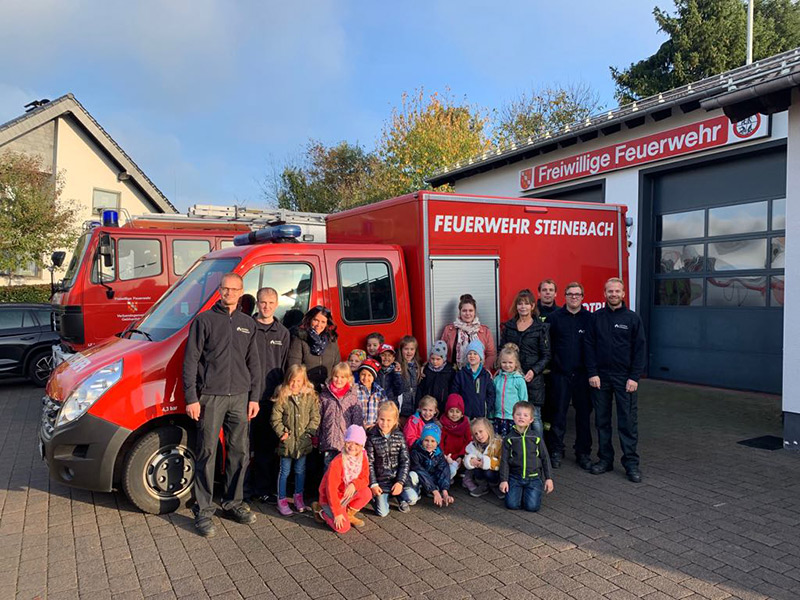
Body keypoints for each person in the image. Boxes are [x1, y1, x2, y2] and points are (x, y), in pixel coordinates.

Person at [183, 272, 261, 538]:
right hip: (210, 397)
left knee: (239, 451)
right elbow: (191, 361)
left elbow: (254, 363)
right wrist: (191, 397)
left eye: (234, 289)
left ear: (241, 292)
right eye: (225, 289)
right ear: (219, 291)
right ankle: (203, 511)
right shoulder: (204, 321)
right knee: (206, 453)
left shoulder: (247, 324)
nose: (229, 293)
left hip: (240, 397)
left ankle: (233, 503)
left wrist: (254, 397)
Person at [585, 278, 646, 483]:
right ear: (604, 293)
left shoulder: (632, 319)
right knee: (602, 421)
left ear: (623, 294)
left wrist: (634, 377)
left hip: (624, 378)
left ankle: (631, 464)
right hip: (600, 378)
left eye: (617, 291)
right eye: (610, 291)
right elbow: (589, 346)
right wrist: (592, 372)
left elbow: (639, 350)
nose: (613, 294)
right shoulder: (596, 318)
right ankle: (605, 460)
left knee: (627, 422)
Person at [247, 287, 290, 504]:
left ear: (276, 304)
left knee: (266, 447)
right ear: (257, 303)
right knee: (245, 447)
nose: (266, 307)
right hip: (248, 397)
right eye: (263, 302)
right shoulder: (246, 328)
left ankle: (264, 490)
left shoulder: (282, 333)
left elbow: (284, 367)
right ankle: (244, 491)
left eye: (271, 303)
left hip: (271, 400)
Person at [545, 282, 594, 471]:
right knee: (558, 415)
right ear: (564, 296)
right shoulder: (554, 318)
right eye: (570, 294)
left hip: (583, 376)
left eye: (577, 294)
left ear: (582, 297)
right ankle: (557, 450)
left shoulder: (590, 319)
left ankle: (583, 453)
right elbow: (548, 347)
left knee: (583, 416)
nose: (574, 297)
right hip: (560, 375)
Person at [500, 289, 551, 438]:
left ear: (533, 306)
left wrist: (534, 371)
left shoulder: (540, 328)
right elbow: (502, 350)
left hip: (533, 379)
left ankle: (538, 452)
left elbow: (546, 355)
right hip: (512, 379)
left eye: (526, 304)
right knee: (514, 417)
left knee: (535, 418)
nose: (523, 307)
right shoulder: (509, 327)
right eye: (520, 304)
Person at [270, 365, 320, 516]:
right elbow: (275, 418)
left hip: (303, 442)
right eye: (292, 381)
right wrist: (282, 433)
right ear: (287, 380)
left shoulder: (309, 397)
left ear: (304, 381)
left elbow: (315, 417)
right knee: (284, 471)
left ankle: (299, 497)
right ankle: (282, 499)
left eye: (299, 381)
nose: (295, 384)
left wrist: (310, 432)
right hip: (287, 442)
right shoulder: (283, 396)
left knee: (300, 471)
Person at [312, 425, 373, 533]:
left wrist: (354, 484)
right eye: (349, 442)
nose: (352, 446)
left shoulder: (362, 457)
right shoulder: (337, 462)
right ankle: (321, 511)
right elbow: (331, 490)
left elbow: (365, 479)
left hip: (346, 494)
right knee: (343, 528)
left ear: (362, 445)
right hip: (330, 498)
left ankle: (348, 515)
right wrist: (337, 513)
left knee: (366, 493)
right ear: (345, 441)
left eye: (357, 444)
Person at [499, 401, 554, 512]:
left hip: (534, 478)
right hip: (515, 477)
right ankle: (520, 492)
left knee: (532, 507)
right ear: (513, 417)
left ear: (531, 419)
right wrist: (504, 480)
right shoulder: (509, 438)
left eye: (525, 415)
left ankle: (529, 492)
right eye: (518, 414)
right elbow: (504, 460)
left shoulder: (536, 437)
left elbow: (545, 458)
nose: (521, 417)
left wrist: (549, 478)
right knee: (511, 505)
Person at [366, 401, 418, 515]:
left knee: (413, 498)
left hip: (396, 478)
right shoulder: (371, 437)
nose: (385, 423)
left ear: (395, 421)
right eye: (382, 419)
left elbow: (405, 460)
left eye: (389, 420)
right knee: (382, 512)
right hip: (381, 481)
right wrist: (374, 484)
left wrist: (400, 481)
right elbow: (369, 463)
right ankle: (375, 497)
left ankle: (401, 496)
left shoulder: (399, 436)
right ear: (377, 418)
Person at [318, 362, 363, 469]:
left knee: (345, 470)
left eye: (343, 377)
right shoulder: (325, 396)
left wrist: (356, 441)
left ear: (348, 379)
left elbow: (357, 422)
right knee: (329, 469)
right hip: (329, 441)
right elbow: (319, 417)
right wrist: (317, 435)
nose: (339, 380)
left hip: (346, 443)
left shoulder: (352, 398)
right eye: (336, 376)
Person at [288, 305, 341, 391]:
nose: (319, 325)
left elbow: (337, 366)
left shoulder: (332, 340)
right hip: (305, 390)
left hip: (327, 390)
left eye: (323, 322)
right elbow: (294, 367)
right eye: (316, 320)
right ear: (310, 320)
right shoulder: (299, 338)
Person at [441, 294, 497, 371]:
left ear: (475, 312)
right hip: (454, 373)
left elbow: (491, 354)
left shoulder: (485, 331)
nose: (467, 313)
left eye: (471, 310)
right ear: (460, 312)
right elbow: (441, 352)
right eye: (464, 310)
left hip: (477, 373)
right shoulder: (449, 330)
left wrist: (485, 369)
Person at [409, 423, 454, 507]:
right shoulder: (415, 451)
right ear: (422, 440)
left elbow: (443, 470)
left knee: (449, 468)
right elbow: (420, 471)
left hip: (430, 477)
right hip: (420, 477)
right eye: (426, 440)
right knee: (413, 475)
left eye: (433, 441)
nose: (429, 444)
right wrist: (434, 491)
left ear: (437, 442)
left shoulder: (438, 452)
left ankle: (432, 489)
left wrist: (445, 491)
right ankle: (418, 488)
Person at [451, 339, 495, 419]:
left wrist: (487, 407)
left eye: (475, 353)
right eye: (470, 353)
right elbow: (455, 392)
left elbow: (491, 393)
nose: (472, 356)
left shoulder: (485, 375)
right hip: (464, 413)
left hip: (480, 414)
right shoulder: (461, 374)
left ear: (480, 357)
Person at [492, 344, 529, 437]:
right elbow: (492, 397)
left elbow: (524, 399)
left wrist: (522, 416)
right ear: (500, 362)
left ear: (516, 363)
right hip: (498, 417)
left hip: (513, 418)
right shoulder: (497, 379)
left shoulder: (519, 380)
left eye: (510, 362)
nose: (507, 365)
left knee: (513, 442)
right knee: (498, 443)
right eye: (504, 362)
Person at [463, 418, 503, 498]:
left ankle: (494, 485)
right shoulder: (473, 446)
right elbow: (466, 457)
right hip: (480, 471)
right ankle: (483, 486)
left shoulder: (497, 443)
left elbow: (501, 461)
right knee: (476, 469)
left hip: (494, 472)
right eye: (476, 434)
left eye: (481, 431)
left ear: (488, 429)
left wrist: (487, 463)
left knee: (488, 472)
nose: (479, 436)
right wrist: (471, 460)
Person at [415, 340, 454, 414]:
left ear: (444, 359)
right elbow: (420, 389)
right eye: (432, 359)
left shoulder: (450, 371)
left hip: (443, 407)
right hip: (427, 408)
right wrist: (418, 405)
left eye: (438, 359)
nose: (435, 362)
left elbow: (452, 390)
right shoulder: (426, 370)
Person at [439, 394, 472, 479]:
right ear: (447, 412)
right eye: (451, 411)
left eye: (457, 411)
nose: (454, 414)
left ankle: (461, 474)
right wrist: (444, 455)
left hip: (460, 455)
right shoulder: (442, 424)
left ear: (462, 414)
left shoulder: (465, 425)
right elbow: (440, 442)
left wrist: (461, 455)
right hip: (446, 456)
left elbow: (468, 441)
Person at [356, 358, 388, 429]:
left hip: (375, 428)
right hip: (358, 428)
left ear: (374, 377)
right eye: (363, 374)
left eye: (369, 375)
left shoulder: (379, 391)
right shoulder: (354, 390)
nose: (366, 378)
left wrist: (377, 424)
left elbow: (384, 410)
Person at [397, 336, 422, 422]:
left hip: (415, 408)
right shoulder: (398, 366)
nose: (409, 352)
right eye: (406, 349)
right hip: (403, 409)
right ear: (401, 350)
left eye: (412, 349)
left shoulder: (417, 366)